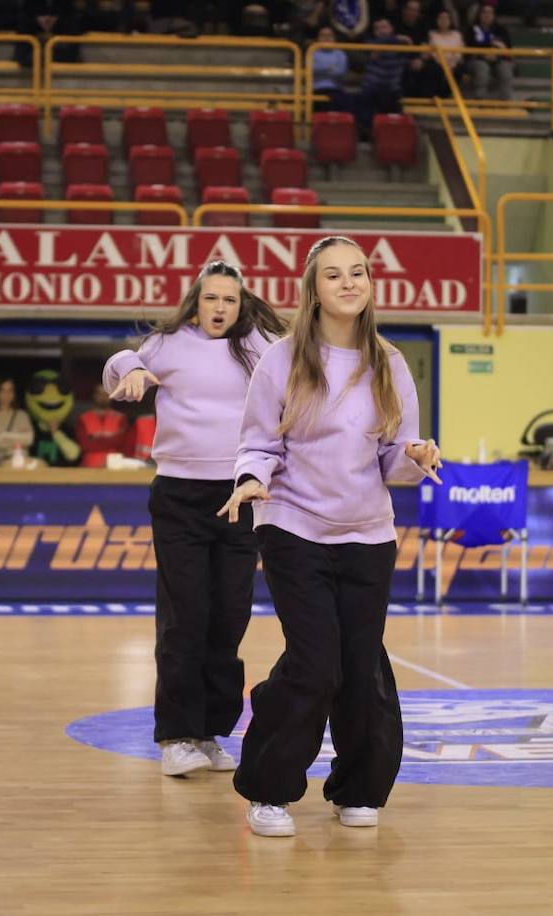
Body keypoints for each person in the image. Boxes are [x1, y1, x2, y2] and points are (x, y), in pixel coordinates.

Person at [218, 236, 441, 838]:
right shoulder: (284, 359)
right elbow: (259, 442)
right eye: (334, 275)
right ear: (313, 291)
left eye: (359, 273)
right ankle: (268, 790)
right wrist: (250, 479)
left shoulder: (390, 363)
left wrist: (414, 455)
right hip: (293, 527)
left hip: (369, 535)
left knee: (360, 664)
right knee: (317, 664)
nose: (349, 283)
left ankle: (357, 789)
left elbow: (392, 459)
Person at [103, 260, 286, 777]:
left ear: (241, 303)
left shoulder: (262, 346)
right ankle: (176, 735)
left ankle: (209, 732)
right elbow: (118, 363)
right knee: (185, 616)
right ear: (196, 301)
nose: (220, 308)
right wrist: (131, 369)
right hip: (180, 496)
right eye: (211, 299)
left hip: (241, 496)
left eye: (229, 299)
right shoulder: (169, 344)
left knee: (229, 617)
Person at [0, 378, 35, 467]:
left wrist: (3, 435)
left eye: (10, 390)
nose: (7, 394)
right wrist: (17, 440)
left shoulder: (22, 415)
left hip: (20, 463)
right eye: (2, 390)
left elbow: (29, 439)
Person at [466, 3, 513, 101]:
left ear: (494, 15)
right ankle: (480, 98)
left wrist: (497, 55)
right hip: (476, 60)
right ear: (479, 14)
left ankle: (505, 101)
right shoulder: (471, 30)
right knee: (482, 67)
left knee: (505, 68)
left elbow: (507, 49)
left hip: (498, 59)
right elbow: (468, 50)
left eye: (490, 13)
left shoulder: (501, 30)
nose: (487, 15)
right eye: (484, 12)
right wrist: (483, 55)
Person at [75, 383, 129, 467]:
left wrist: (96, 438)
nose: (103, 397)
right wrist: (110, 439)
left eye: (106, 393)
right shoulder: (83, 418)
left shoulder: (120, 418)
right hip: (90, 466)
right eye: (100, 394)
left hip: (115, 466)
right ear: (94, 395)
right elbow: (85, 445)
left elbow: (121, 443)